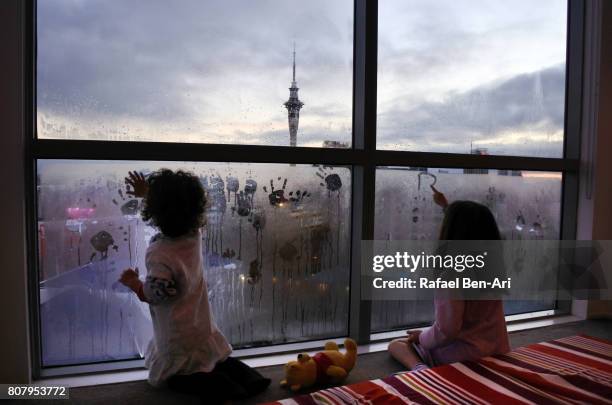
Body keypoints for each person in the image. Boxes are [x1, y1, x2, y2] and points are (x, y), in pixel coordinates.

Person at [119, 169, 270, 404]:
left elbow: (154, 294)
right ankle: (250, 379)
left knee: (180, 376)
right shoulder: (193, 235)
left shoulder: (160, 253)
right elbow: (177, 207)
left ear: (155, 212)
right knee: (218, 359)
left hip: (179, 332)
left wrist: (133, 282)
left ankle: (223, 388)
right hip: (201, 321)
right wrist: (149, 195)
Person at [387, 185, 510, 371]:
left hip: (464, 356)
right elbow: (470, 225)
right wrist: (446, 205)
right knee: (424, 336)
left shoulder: (451, 275)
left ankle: (420, 369)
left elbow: (447, 330)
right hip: (496, 348)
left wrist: (421, 338)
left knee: (397, 345)